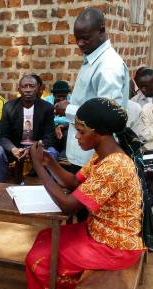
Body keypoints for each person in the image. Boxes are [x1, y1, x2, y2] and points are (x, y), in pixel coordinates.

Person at [26, 97, 153, 289]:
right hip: (99, 232)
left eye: (82, 131)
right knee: (46, 236)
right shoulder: (103, 154)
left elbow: (68, 206)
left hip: (114, 247)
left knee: (38, 258)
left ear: (100, 133)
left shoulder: (115, 165)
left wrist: (38, 168)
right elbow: (73, 182)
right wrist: (49, 162)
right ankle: (66, 285)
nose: (76, 136)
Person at [55, 7, 129, 172]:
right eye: (77, 38)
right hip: (84, 151)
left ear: (101, 31)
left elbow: (107, 114)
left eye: (86, 38)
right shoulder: (93, 57)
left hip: (94, 155)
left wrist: (69, 109)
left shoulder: (108, 66)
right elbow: (90, 101)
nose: (80, 43)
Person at [0, 75, 56, 182]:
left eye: (32, 86)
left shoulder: (47, 108)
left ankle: (48, 189)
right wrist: (13, 149)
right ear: (19, 89)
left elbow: (50, 136)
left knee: (52, 153)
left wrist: (33, 149)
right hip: (16, 147)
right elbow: (2, 135)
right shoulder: (9, 107)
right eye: (25, 86)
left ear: (38, 88)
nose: (28, 90)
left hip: (38, 146)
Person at [45, 80, 72, 154]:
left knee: (68, 133)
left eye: (64, 96)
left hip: (67, 127)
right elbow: (46, 119)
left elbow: (74, 119)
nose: (62, 99)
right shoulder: (47, 101)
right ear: (53, 95)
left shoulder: (72, 101)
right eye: (59, 96)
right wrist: (55, 126)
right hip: (51, 127)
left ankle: (65, 153)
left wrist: (61, 126)